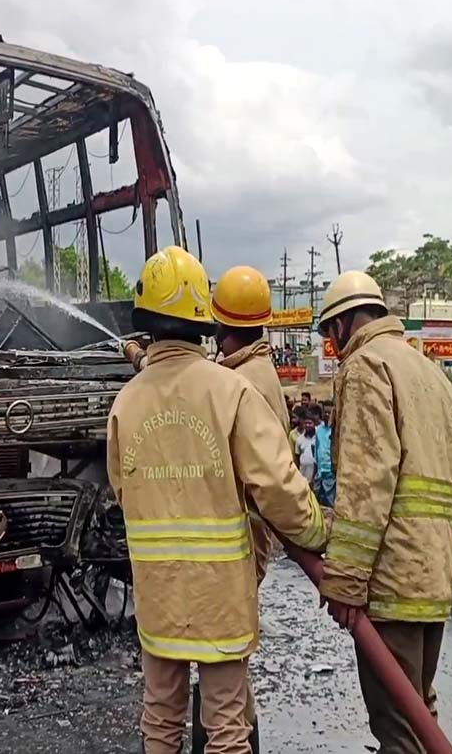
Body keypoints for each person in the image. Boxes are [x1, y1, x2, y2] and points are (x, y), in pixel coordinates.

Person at [107, 246, 327, 754]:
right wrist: (318, 532)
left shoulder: (126, 403)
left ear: (149, 324)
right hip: (220, 594)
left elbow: (124, 488)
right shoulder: (231, 391)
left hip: (159, 591)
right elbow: (276, 484)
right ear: (201, 322)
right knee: (227, 724)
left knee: (160, 716)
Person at [315, 271, 452, 754]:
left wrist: (344, 580)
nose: (332, 347)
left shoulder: (366, 367)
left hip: (391, 582)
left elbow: (366, 482)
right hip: (432, 577)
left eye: (329, 335)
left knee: (399, 730)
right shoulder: (430, 373)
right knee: (420, 712)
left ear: (342, 325)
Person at [210, 264, 292, 586]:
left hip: (240, 534)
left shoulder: (239, 382)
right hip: (252, 531)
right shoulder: (260, 369)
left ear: (221, 326)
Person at [313, 403, 336, 508]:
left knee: (330, 502)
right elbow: (316, 450)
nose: (327, 414)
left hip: (331, 472)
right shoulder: (318, 430)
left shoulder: (335, 430)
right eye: (325, 412)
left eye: (329, 412)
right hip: (320, 471)